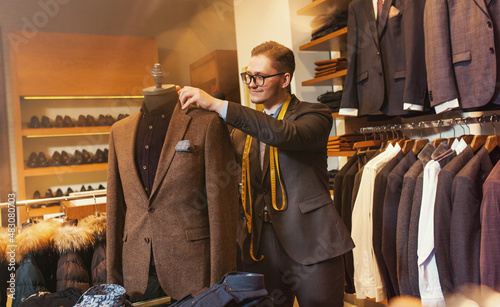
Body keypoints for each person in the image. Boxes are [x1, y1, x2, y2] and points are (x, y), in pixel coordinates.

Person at [179, 41, 354, 307]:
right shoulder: (240, 130)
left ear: (285, 79)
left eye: (260, 76)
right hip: (259, 247)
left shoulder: (314, 115)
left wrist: (219, 105)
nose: (252, 83)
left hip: (312, 243)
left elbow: (281, 133)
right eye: (248, 76)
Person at [106, 65, 238, 303]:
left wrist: (222, 281)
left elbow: (222, 208)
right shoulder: (119, 132)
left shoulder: (206, 124)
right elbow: (115, 209)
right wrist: (112, 281)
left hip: (193, 270)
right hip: (136, 271)